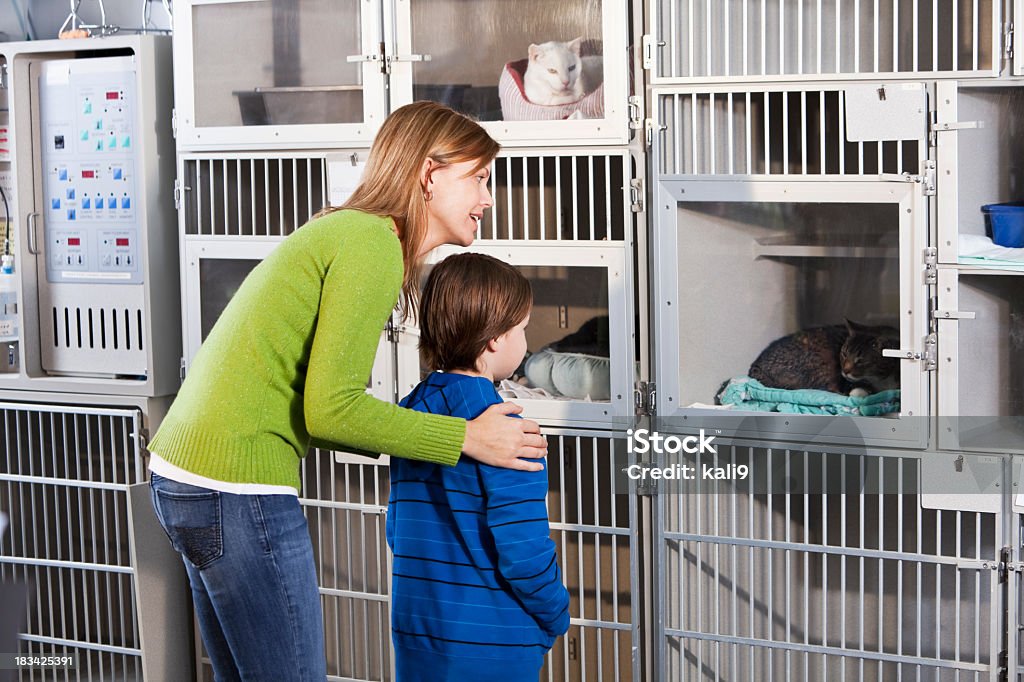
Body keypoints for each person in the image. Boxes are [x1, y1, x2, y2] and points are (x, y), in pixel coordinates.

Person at [146, 101, 547, 682]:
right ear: (429, 175)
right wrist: (468, 437)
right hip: (236, 482)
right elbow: (331, 410)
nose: (489, 200)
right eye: (479, 179)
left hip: (185, 474)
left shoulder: (349, 233)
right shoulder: (371, 244)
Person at [387, 252, 571, 681]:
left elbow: (398, 528)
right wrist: (556, 614)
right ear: (494, 340)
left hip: (418, 631)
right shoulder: (509, 431)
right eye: (523, 329)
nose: (526, 341)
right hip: (495, 641)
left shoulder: (410, 414)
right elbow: (525, 555)